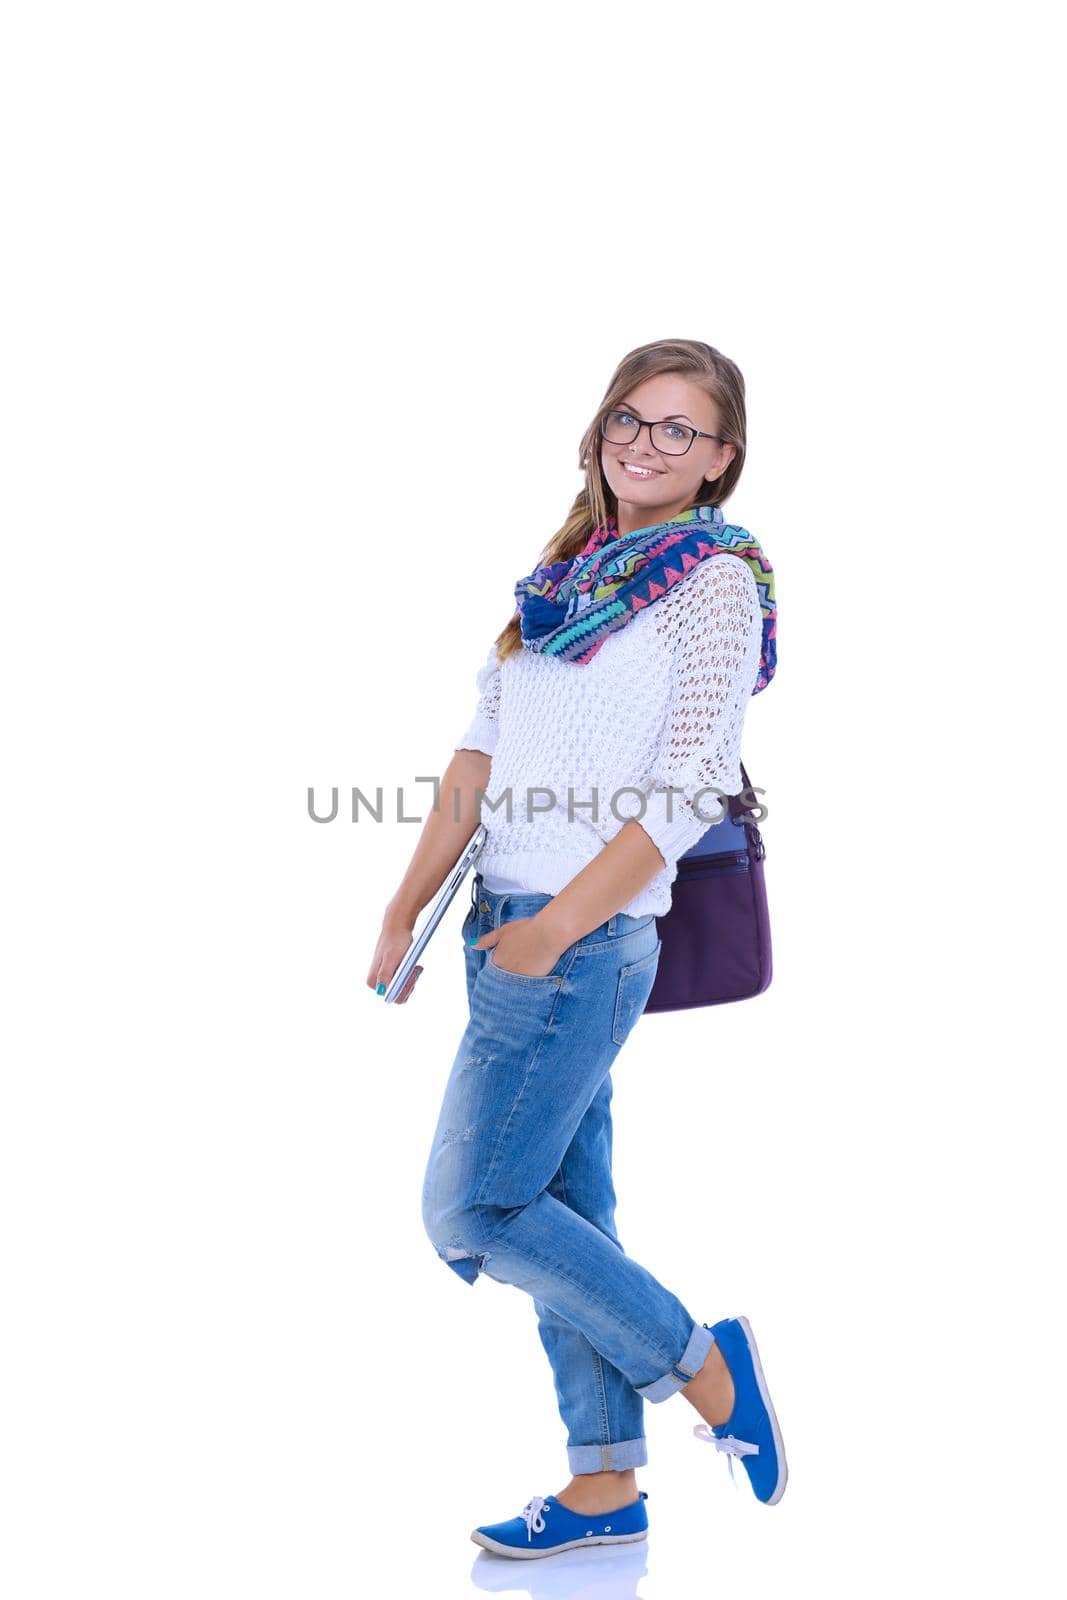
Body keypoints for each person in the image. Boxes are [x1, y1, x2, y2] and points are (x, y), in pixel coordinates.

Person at [366, 337, 785, 1558]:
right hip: (505, 928)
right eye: (628, 419)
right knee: (566, 1209)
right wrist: (407, 906)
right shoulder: (566, 573)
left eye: (677, 429)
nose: (645, 444)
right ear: (598, 429)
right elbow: (478, 757)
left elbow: (684, 783)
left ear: (719, 460)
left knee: (476, 1207)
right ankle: (604, 1484)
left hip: (579, 939)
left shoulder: (713, 581)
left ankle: (702, 1364)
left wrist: (554, 927)